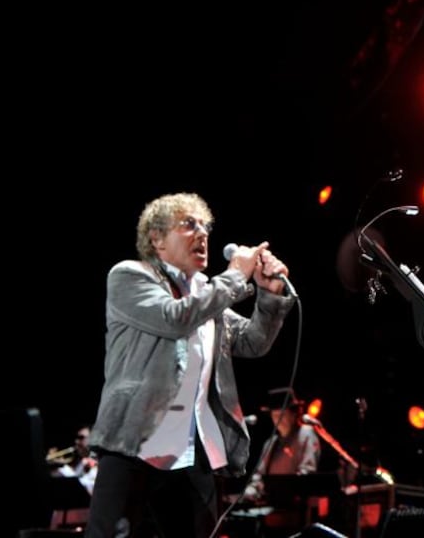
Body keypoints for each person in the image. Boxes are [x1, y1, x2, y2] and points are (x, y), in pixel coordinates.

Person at [86, 192, 296, 538]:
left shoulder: (205, 292)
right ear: (156, 238)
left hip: (193, 452)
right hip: (134, 443)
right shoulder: (129, 276)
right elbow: (175, 318)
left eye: (205, 226)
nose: (202, 234)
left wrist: (269, 296)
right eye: (189, 225)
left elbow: (252, 341)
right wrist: (234, 276)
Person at [242, 387, 322, 504]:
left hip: (296, 505)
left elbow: (307, 473)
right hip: (273, 504)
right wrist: (252, 489)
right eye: (275, 416)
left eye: (282, 415)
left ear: (294, 414)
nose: (278, 420)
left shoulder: (306, 434)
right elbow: (260, 475)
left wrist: (286, 487)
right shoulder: (271, 443)